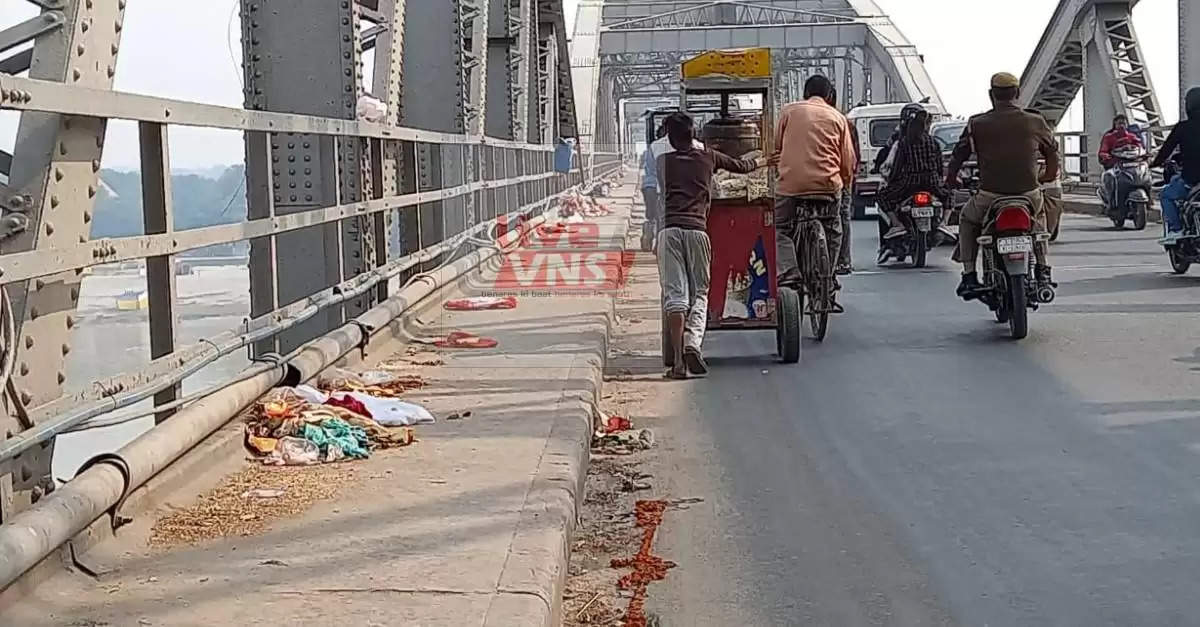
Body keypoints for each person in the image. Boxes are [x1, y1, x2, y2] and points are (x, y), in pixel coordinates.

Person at [656, 112, 770, 379]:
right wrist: (765, 160)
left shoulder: (662, 161)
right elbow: (742, 167)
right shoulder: (708, 156)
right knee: (700, 293)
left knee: (675, 295)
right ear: (694, 133)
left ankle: (678, 365)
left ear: (669, 138)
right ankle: (692, 343)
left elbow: (660, 192)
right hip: (697, 230)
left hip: (669, 230)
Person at [946, 72, 1060, 298]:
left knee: (967, 219)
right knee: (1038, 221)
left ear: (991, 95)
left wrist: (951, 178)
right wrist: (1047, 175)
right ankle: (1043, 269)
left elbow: (959, 155)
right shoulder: (1035, 121)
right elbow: (1052, 151)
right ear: (1017, 94)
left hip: (990, 195)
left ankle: (969, 275)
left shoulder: (977, 124)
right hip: (1028, 194)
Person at [773, 75, 857, 295]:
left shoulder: (789, 111)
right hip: (828, 186)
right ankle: (828, 274)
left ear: (805, 94)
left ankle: (790, 270)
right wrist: (845, 184)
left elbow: (777, 148)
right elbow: (847, 160)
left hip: (791, 186)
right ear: (829, 96)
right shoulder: (838, 118)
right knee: (833, 229)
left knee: (780, 228)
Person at [875, 107, 949, 260]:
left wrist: (892, 181)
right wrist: (939, 180)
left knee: (882, 197)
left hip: (909, 184)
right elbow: (939, 166)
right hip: (931, 182)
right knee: (950, 196)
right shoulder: (933, 142)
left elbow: (896, 167)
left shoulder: (903, 142)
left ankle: (897, 224)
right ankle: (943, 222)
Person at [1150, 87, 1200, 243]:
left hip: (1192, 178)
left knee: (1166, 196)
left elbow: (1167, 149)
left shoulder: (1183, 127)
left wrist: (1155, 163)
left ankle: (1176, 230)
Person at [825, 86, 858, 275]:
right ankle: (843, 260)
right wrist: (846, 180)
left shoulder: (798, 116)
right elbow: (851, 156)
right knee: (841, 217)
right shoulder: (844, 122)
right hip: (839, 178)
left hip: (807, 180)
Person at [640, 124, 667, 241]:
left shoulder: (652, 147)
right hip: (661, 187)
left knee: (652, 214)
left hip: (650, 186)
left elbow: (648, 168)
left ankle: (649, 230)